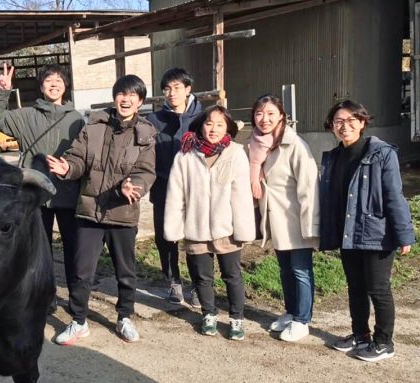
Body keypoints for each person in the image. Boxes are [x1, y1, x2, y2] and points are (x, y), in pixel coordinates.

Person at [46, 74, 156, 344]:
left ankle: (125, 317)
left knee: (125, 271)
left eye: (132, 95)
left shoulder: (145, 134)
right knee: (82, 270)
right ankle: (79, 320)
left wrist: (136, 186)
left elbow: (146, 170)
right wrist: (67, 168)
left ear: (140, 101)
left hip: (122, 211)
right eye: (121, 93)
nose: (125, 99)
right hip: (89, 210)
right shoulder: (93, 126)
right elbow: (78, 158)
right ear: (115, 96)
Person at [319, 99, 414, 361]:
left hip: (376, 233)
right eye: (339, 121)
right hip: (348, 232)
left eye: (351, 120)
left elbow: (394, 195)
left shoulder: (382, 153)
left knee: (378, 288)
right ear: (332, 127)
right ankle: (360, 335)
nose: (345, 126)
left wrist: (404, 234)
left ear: (362, 123)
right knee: (355, 287)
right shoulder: (334, 156)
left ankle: (384, 342)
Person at [0, 63, 84, 309]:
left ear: (66, 86)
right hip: (35, 196)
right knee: (40, 251)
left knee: (74, 249)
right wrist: (2, 92)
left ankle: (76, 298)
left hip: (68, 193)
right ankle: (45, 296)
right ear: (41, 86)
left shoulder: (76, 119)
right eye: (48, 80)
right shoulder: (26, 116)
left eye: (59, 80)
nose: (54, 84)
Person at [164, 106, 255, 341]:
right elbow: (176, 194)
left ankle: (236, 319)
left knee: (232, 275)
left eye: (219, 124)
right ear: (200, 125)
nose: (213, 129)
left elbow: (242, 195)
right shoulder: (185, 153)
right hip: (196, 228)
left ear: (228, 128)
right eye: (209, 123)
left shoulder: (235, 153)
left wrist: (244, 228)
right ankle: (209, 314)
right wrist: (174, 227)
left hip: (227, 228)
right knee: (202, 277)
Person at [251, 95, 320, 342]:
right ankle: (291, 312)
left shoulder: (295, 145)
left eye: (270, 113)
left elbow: (310, 187)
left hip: (297, 220)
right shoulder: (259, 144)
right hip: (277, 221)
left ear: (281, 115)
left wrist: (312, 224)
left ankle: (303, 320)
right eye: (259, 113)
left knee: (301, 270)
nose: (264, 119)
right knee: (285, 270)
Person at [147, 67, 203, 307]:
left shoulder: (203, 118)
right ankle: (173, 282)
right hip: (163, 187)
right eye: (167, 89)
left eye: (177, 88)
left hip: (195, 190)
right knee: (165, 238)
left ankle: (199, 285)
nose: (172, 93)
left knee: (196, 237)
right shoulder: (153, 121)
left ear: (188, 89)